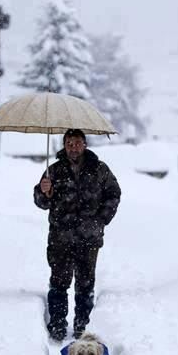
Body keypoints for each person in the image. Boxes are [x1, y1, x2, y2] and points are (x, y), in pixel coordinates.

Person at [33, 129, 121, 341]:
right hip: (60, 237)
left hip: (88, 238)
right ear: (64, 145)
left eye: (77, 142)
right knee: (59, 283)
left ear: (85, 144)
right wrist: (43, 191)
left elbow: (114, 193)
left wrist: (101, 220)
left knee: (85, 283)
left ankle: (83, 326)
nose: (73, 147)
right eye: (69, 143)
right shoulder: (53, 171)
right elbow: (41, 202)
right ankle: (57, 325)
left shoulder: (99, 169)